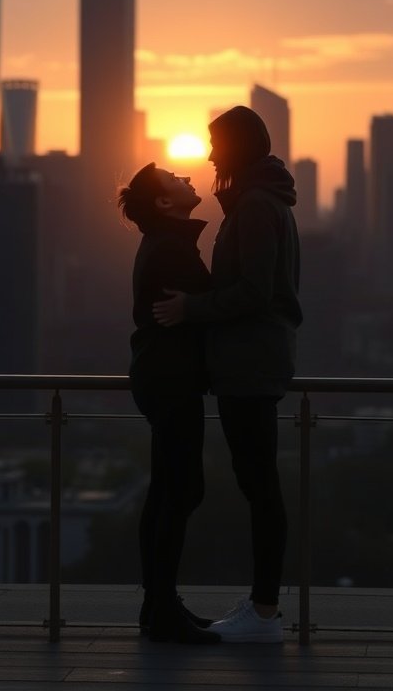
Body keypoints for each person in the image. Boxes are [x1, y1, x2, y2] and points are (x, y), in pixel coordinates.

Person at [153, 106, 302, 644]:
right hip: (251, 363)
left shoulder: (257, 207)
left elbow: (255, 293)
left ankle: (263, 613)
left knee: (260, 487)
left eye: (217, 144)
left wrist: (192, 309)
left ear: (238, 147)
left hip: (250, 366)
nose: (211, 155)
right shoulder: (259, 202)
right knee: (258, 484)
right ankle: (262, 608)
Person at [118, 163, 220, 644]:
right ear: (162, 203)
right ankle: (162, 609)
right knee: (180, 491)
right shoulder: (173, 248)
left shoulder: (166, 241)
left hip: (161, 376)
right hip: (170, 379)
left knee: (168, 491)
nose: (187, 178)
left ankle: (158, 604)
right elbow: (219, 302)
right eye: (175, 179)